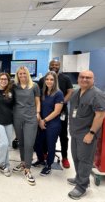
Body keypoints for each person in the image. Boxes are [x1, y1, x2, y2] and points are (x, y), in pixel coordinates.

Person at [67, 70, 105, 200]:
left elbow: (100, 116)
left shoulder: (97, 94)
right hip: (75, 132)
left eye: (88, 77)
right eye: (82, 77)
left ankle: (82, 187)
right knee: (76, 157)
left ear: (93, 79)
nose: (84, 79)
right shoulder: (76, 92)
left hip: (87, 133)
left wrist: (91, 133)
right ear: (78, 79)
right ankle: (80, 178)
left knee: (85, 160)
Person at [38, 60, 73, 168]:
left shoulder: (65, 79)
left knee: (63, 135)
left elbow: (70, 92)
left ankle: (65, 157)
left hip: (60, 112)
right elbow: (39, 95)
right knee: (44, 134)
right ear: (49, 66)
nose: (54, 66)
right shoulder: (42, 79)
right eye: (52, 64)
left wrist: (61, 103)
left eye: (56, 65)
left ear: (60, 66)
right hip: (46, 112)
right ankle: (44, 154)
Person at [12, 66, 40, 186]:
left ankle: (27, 169)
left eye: (24, 73)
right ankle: (23, 162)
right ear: (17, 75)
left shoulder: (34, 86)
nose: (22, 75)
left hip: (30, 118)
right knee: (21, 143)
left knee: (29, 144)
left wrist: (38, 113)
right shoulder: (14, 86)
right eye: (20, 74)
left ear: (28, 74)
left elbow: (38, 101)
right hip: (17, 117)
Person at [33, 71, 64, 176]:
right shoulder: (42, 92)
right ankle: (41, 160)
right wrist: (40, 120)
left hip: (53, 124)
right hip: (41, 122)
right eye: (47, 79)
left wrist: (44, 121)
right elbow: (38, 107)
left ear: (55, 81)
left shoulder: (58, 93)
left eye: (51, 79)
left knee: (51, 145)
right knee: (37, 143)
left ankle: (49, 165)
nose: (49, 81)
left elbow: (57, 111)